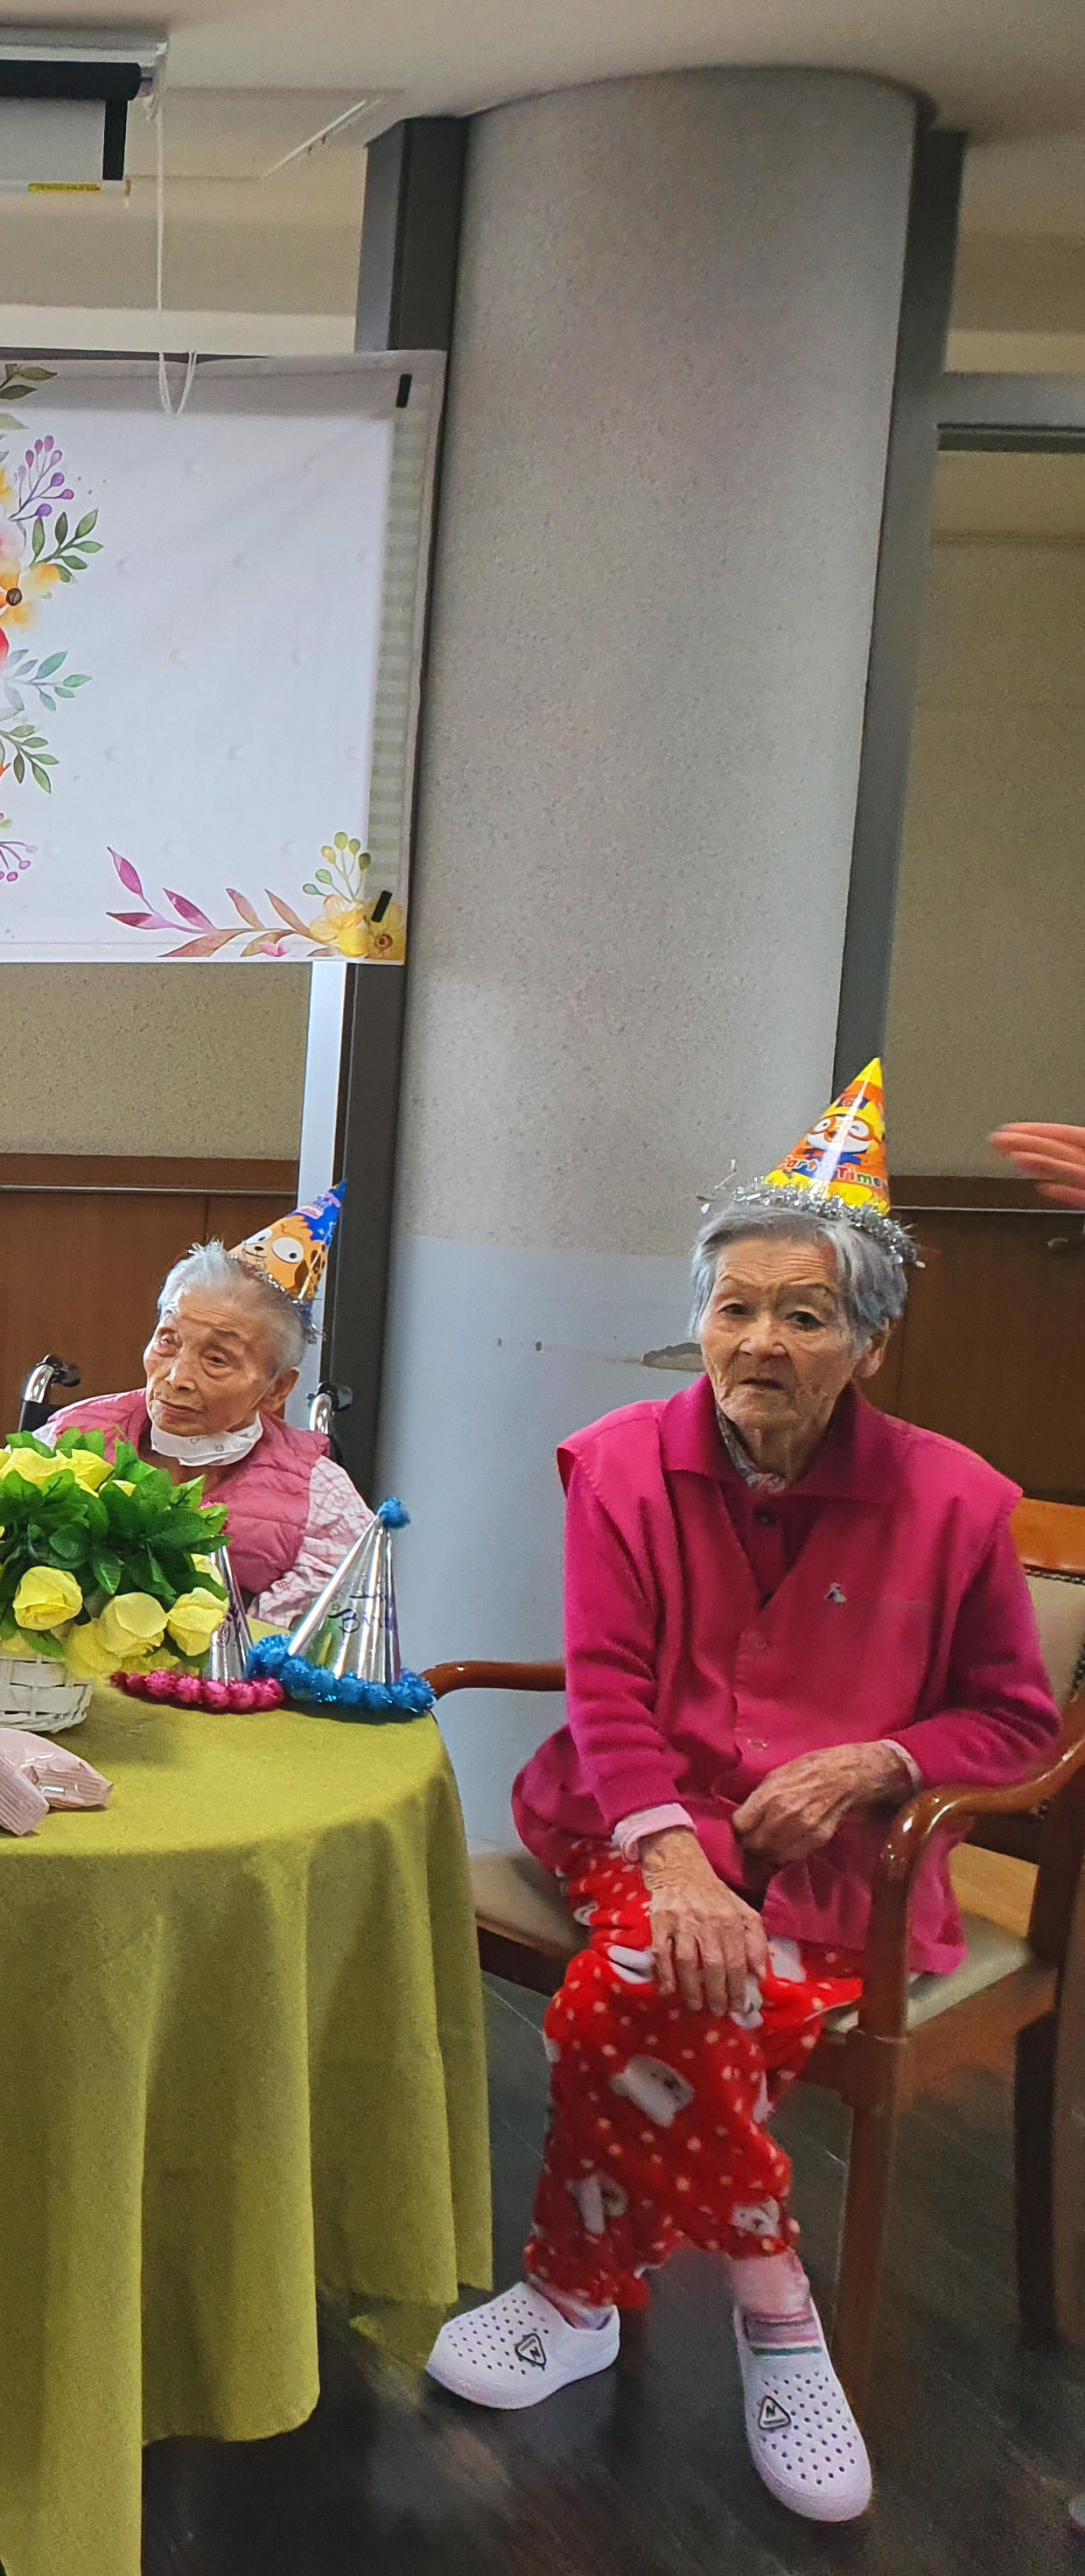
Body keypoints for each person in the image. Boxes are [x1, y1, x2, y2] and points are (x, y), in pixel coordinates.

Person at [425, 1062, 1060, 2523]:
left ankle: (571, 2291)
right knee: (658, 1961)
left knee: (648, 1992)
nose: (759, 1340)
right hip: (630, 1811)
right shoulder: (619, 1467)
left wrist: (879, 1760)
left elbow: (1016, 1721)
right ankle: (778, 2312)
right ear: (699, 1319)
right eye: (734, 1307)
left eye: (805, 1314)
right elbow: (604, 1687)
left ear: (870, 1343)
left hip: (848, 1862)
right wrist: (671, 1857)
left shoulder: (959, 1500)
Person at [44, 1189, 369, 1624]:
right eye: (168, 1341)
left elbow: (309, 1648)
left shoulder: (321, 1503)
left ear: (277, 1389)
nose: (176, 1377)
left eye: (216, 1360)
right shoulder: (68, 1436)